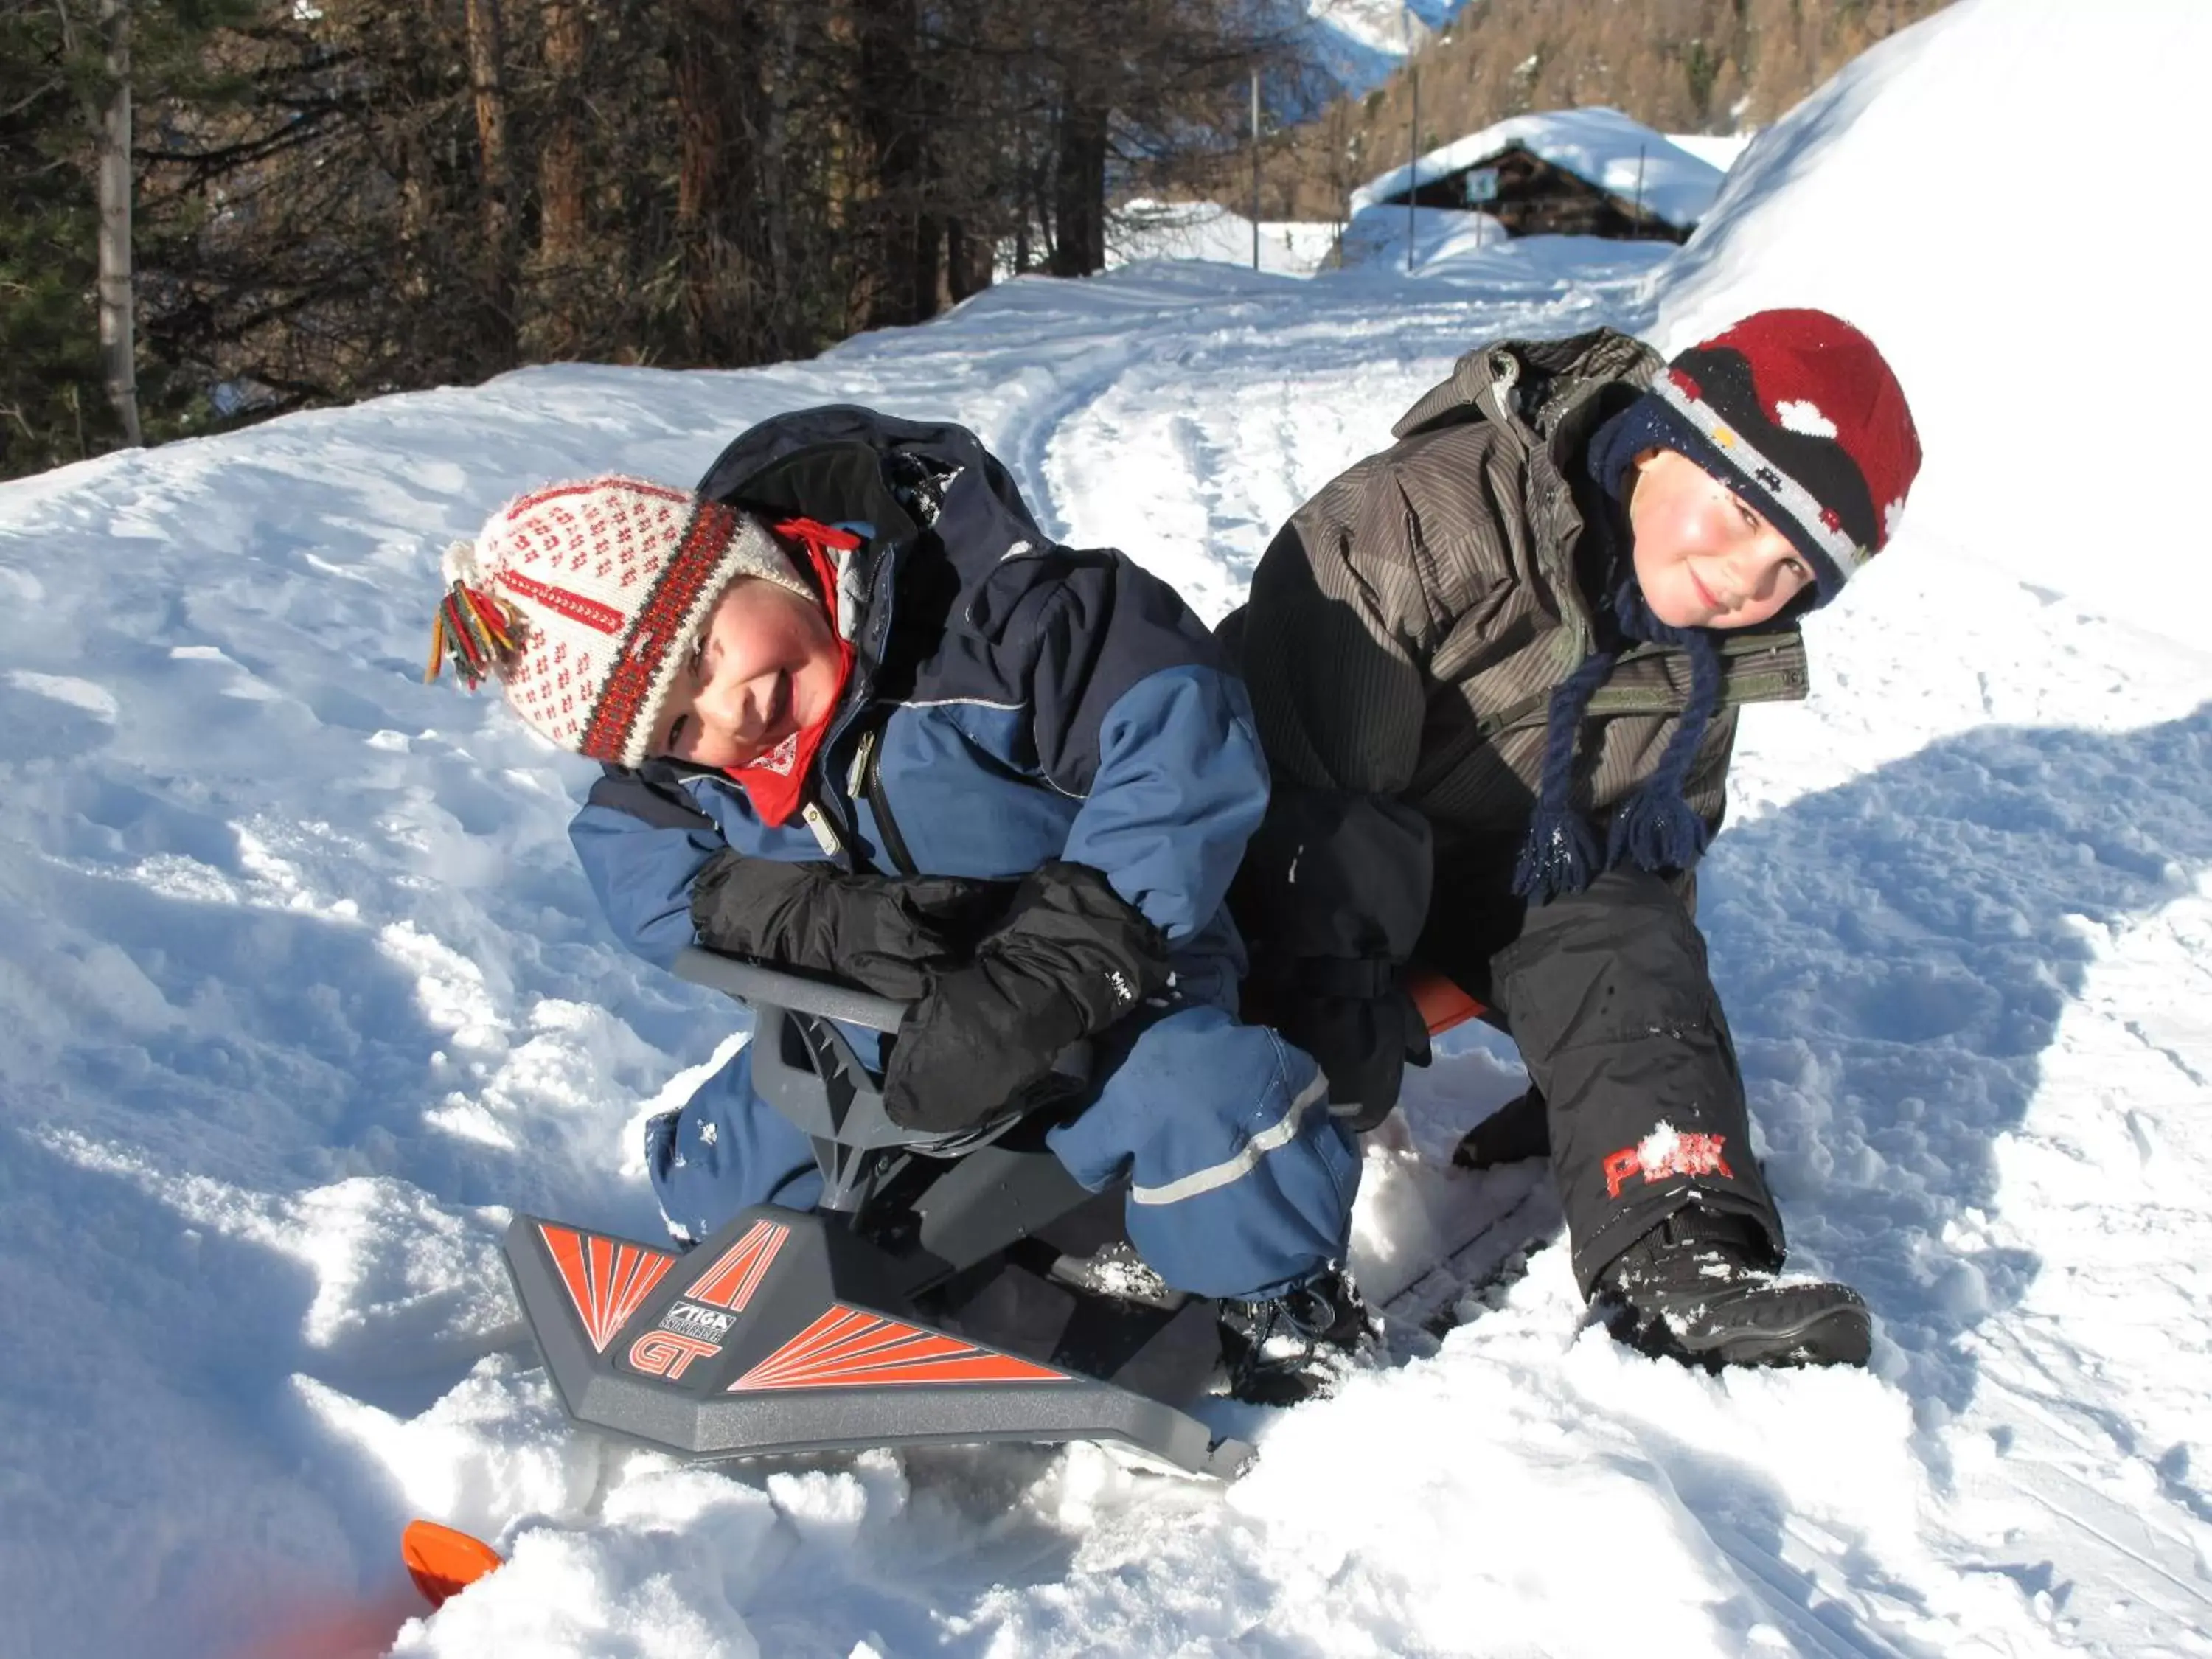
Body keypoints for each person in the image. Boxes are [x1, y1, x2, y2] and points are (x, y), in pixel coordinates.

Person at [425, 406, 1363, 1402]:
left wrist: (1057, 961)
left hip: (1111, 987)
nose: (725, 711)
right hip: (880, 1031)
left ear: (742, 558)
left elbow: (1178, 735)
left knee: (1206, 1100)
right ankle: (776, 1272)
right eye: (676, 728)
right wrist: (796, 918)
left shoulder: (999, 620)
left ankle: (1280, 1300)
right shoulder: (702, 766)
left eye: (702, 655)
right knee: (722, 1172)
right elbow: (626, 854)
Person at [1220, 310, 1922, 1370]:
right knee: (1267, 969)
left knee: (1620, 908)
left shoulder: (1703, 661)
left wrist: (1594, 1077)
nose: (1746, 579)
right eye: (1738, 514)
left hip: (1452, 876)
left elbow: (1645, 890)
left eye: (1792, 571)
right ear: (1660, 442)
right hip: (1262, 837)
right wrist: (1333, 991)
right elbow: (1306, 766)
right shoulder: (1431, 516)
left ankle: (1675, 1245)